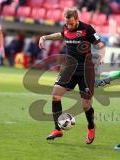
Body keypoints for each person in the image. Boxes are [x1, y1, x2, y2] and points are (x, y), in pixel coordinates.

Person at [39, 8, 105, 144]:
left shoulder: (87, 29)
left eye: (71, 23)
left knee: (85, 105)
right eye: (67, 23)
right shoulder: (66, 27)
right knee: (55, 95)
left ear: (76, 19)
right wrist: (44, 37)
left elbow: (100, 44)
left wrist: (102, 56)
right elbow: (61, 34)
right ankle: (58, 129)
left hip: (86, 70)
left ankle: (91, 127)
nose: (68, 26)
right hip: (69, 68)